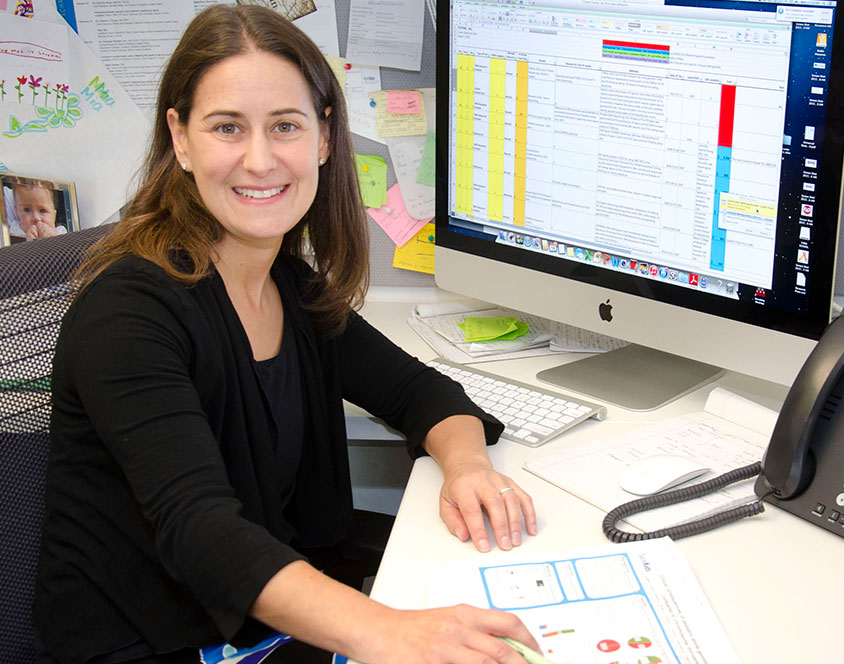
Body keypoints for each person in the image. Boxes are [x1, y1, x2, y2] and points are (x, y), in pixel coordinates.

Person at [34, 5, 540, 663]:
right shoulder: (128, 314)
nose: (260, 159)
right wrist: (385, 630)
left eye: (285, 126)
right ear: (180, 139)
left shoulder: (290, 287)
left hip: (257, 626)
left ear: (324, 139)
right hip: (154, 642)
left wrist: (469, 468)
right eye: (227, 128)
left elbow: (423, 393)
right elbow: (204, 534)